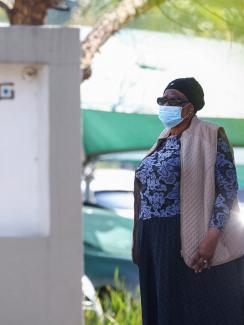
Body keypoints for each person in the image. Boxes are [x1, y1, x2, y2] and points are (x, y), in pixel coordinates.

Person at [132, 77, 244, 325]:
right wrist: (139, 239)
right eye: (164, 100)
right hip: (153, 236)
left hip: (184, 233)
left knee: (190, 307)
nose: (167, 105)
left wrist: (211, 238)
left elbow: (226, 190)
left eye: (176, 100)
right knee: (161, 306)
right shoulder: (162, 139)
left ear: (191, 107)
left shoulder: (211, 135)